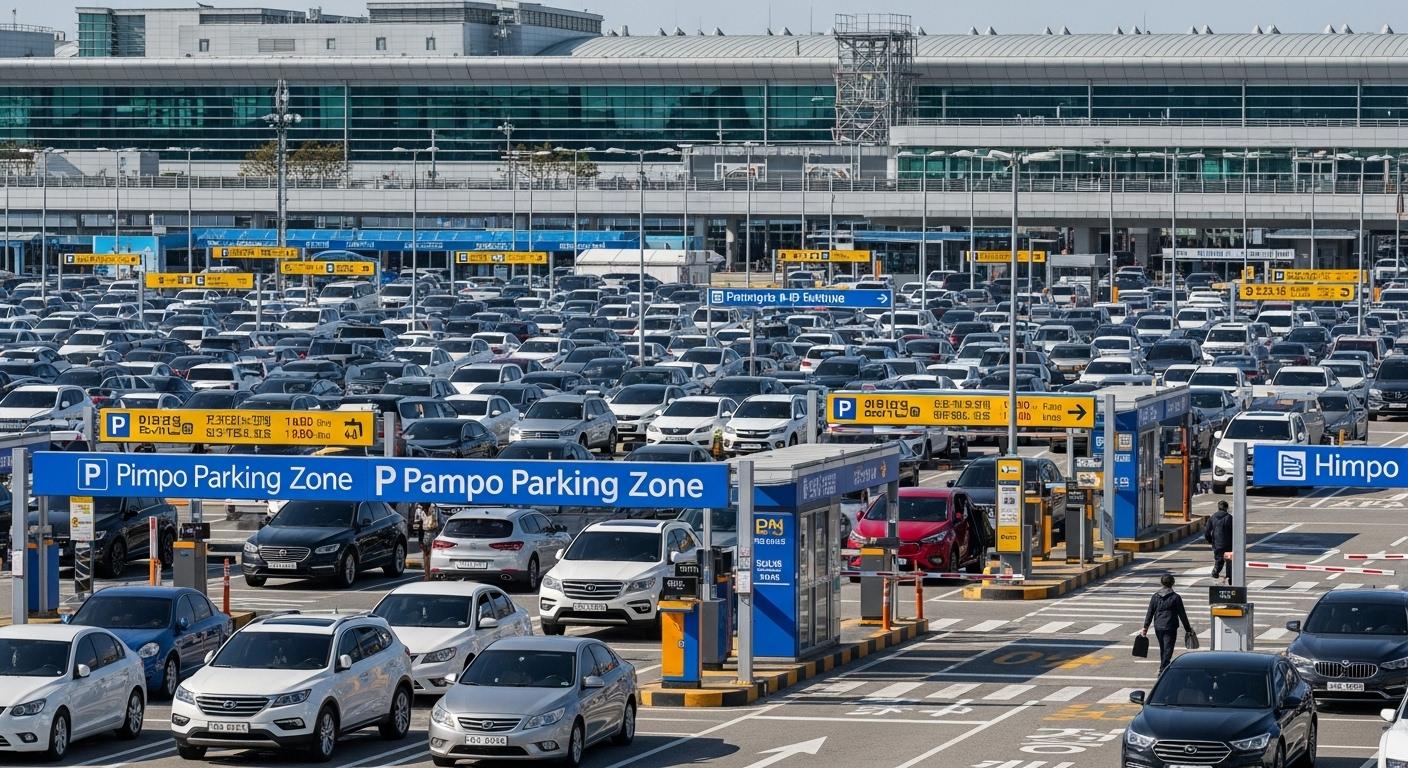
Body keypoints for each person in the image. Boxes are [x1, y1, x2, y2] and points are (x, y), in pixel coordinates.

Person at [1141, 574, 1194, 673]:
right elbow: (1182, 615)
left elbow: (1150, 612)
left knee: (1163, 648)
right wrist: (1188, 629)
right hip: (1170, 627)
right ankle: (1163, 669)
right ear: (1173, 583)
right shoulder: (1176, 597)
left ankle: (1163, 666)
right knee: (1168, 649)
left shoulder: (1155, 596)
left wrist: (1145, 627)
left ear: (1162, 583)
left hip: (1158, 627)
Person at [1205, 500, 1234, 583]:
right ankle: (1230, 577)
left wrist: (1210, 540)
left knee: (1218, 559)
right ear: (1226, 508)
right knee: (1229, 561)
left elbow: (1207, 531)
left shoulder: (1213, 517)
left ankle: (1215, 571)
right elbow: (1234, 530)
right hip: (1228, 543)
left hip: (1217, 543)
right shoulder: (1229, 517)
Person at [415, 502, 440, 581]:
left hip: (434, 535)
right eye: (423, 506)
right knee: (426, 556)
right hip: (425, 535)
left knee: (432, 556)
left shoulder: (434, 510)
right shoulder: (420, 512)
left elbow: (438, 525)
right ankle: (427, 575)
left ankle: (433, 575)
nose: (423, 508)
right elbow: (419, 527)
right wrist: (420, 541)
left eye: (425, 506)